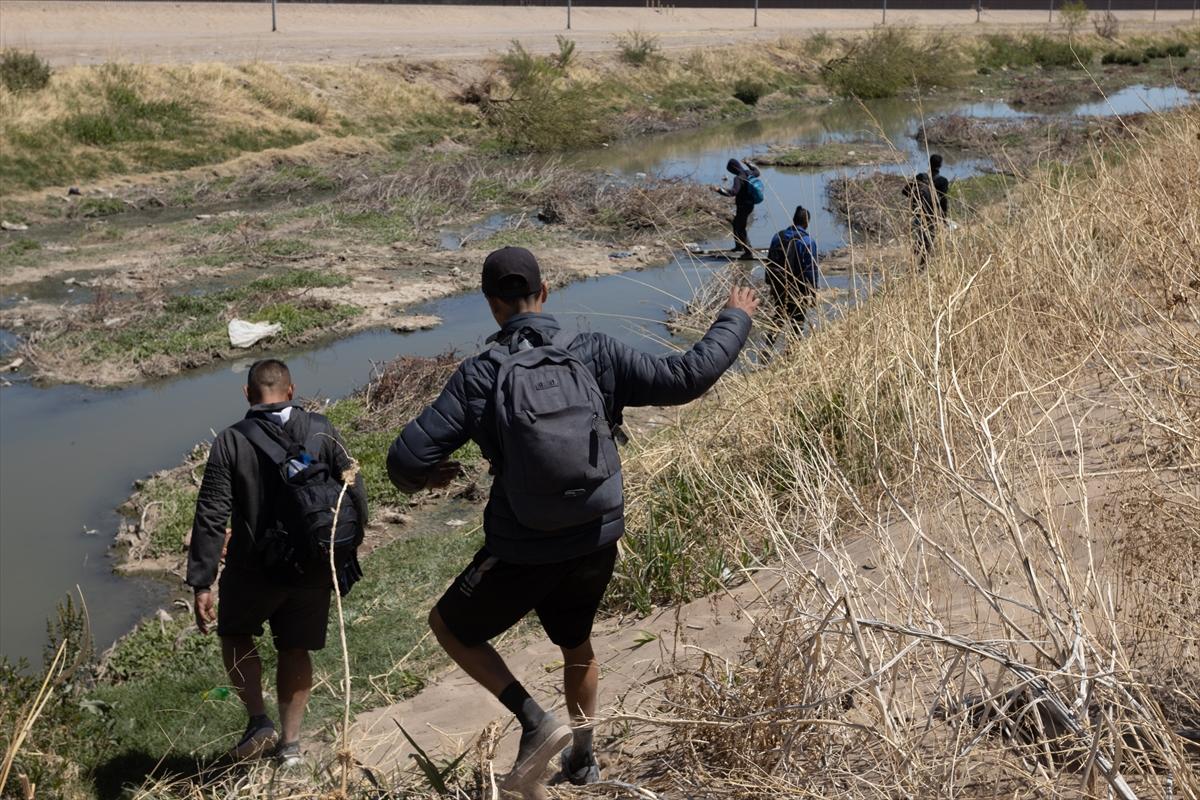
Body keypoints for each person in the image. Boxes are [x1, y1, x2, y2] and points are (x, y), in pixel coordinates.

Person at [386, 246, 758, 790]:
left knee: (449, 627)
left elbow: (404, 461)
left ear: (493, 306)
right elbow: (687, 377)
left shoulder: (480, 376)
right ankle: (582, 758)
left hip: (522, 546)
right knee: (576, 644)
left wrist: (432, 476)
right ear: (545, 292)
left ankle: (534, 720)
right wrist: (735, 317)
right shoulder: (596, 352)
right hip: (596, 533)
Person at [187, 359, 368, 766]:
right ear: (291, 391)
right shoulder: (322, 428)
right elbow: (354, 489)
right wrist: (343, 554)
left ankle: (258, 721)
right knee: (295, 648)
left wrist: (202, 581)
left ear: (248, 394)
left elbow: (212, 513)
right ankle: (290, 747)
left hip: (254, 570)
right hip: (313, 567)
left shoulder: (230, 442)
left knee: (234, 635)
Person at [765, 205, 820, 336]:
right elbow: (810, 270)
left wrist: (769, 282)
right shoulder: (807, 241)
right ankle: (791, 353)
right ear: (807, 222)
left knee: (779, 315)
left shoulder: (777, 236)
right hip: (798, 288)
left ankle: (767, 349)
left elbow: (769, 260)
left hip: (778, 284)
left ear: (794, 220)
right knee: (798, 321)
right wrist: (812, 292)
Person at [903, 154, 951, 266]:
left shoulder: (921, 177)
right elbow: (943, 201)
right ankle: (921, 267)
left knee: (920, 238)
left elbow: (905, 191)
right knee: (928, 240)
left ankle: (912, 262)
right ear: (940, 165)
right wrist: (943, 218)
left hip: (918, 213)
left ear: (929, 163)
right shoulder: (942, 181)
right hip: (932, 215)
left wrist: (916, 199)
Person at [714, 157, 762, 260]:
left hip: (743, 206)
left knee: (741, 228)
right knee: (736, 224)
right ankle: (739, 247)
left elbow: (733, 192)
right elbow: (757, 171)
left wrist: (719, 190)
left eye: (731, 170)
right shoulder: (748, 172)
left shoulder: (738, 178)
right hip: (750, 205)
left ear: (733, 169)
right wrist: (748, 163)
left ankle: (748, 252)